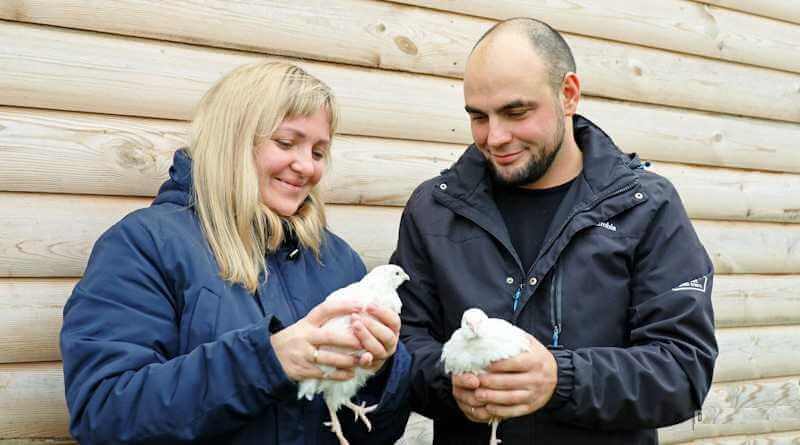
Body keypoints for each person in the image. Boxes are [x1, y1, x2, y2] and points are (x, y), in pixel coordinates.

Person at [391, 18, 717, 444]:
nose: (495, 137)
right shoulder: (432, 211)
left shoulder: (647, 208)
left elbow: (683, 369)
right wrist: (450, 380)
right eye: (478, 117)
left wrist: (560, 380)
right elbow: (402, 348)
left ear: (568, 94)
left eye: (515, 112)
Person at [60, 61, 411, 444]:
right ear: (234, 140)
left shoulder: (336, 260)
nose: (306, 166)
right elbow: (106, 415)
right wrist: (268, 360)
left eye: (318, 151)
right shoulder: (145, 245)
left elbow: (374, 435)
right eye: (286, 143)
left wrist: (378, 372)